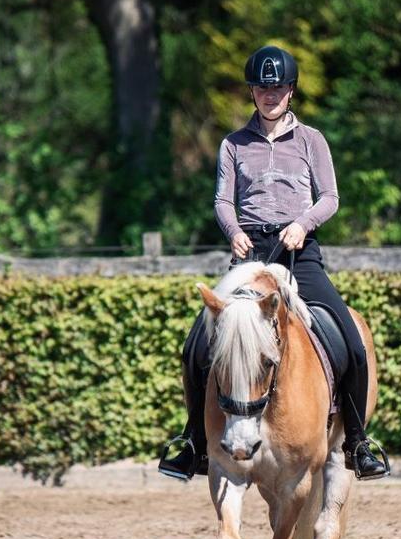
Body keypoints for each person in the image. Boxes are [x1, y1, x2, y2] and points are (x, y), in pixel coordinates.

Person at [159, 45, 388, 481]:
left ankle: (357, 440)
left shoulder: (311, 140)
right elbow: (223, 200)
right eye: (262, 88)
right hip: (249, 253)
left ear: (291, 91)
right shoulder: (233, 145)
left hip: (299, 252)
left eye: (278, 87)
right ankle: (194, 442)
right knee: (196, 345)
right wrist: (235, 232)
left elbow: (331, 198)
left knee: (351, 340)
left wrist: (303, 224)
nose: (270, 95)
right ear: (252, 92)